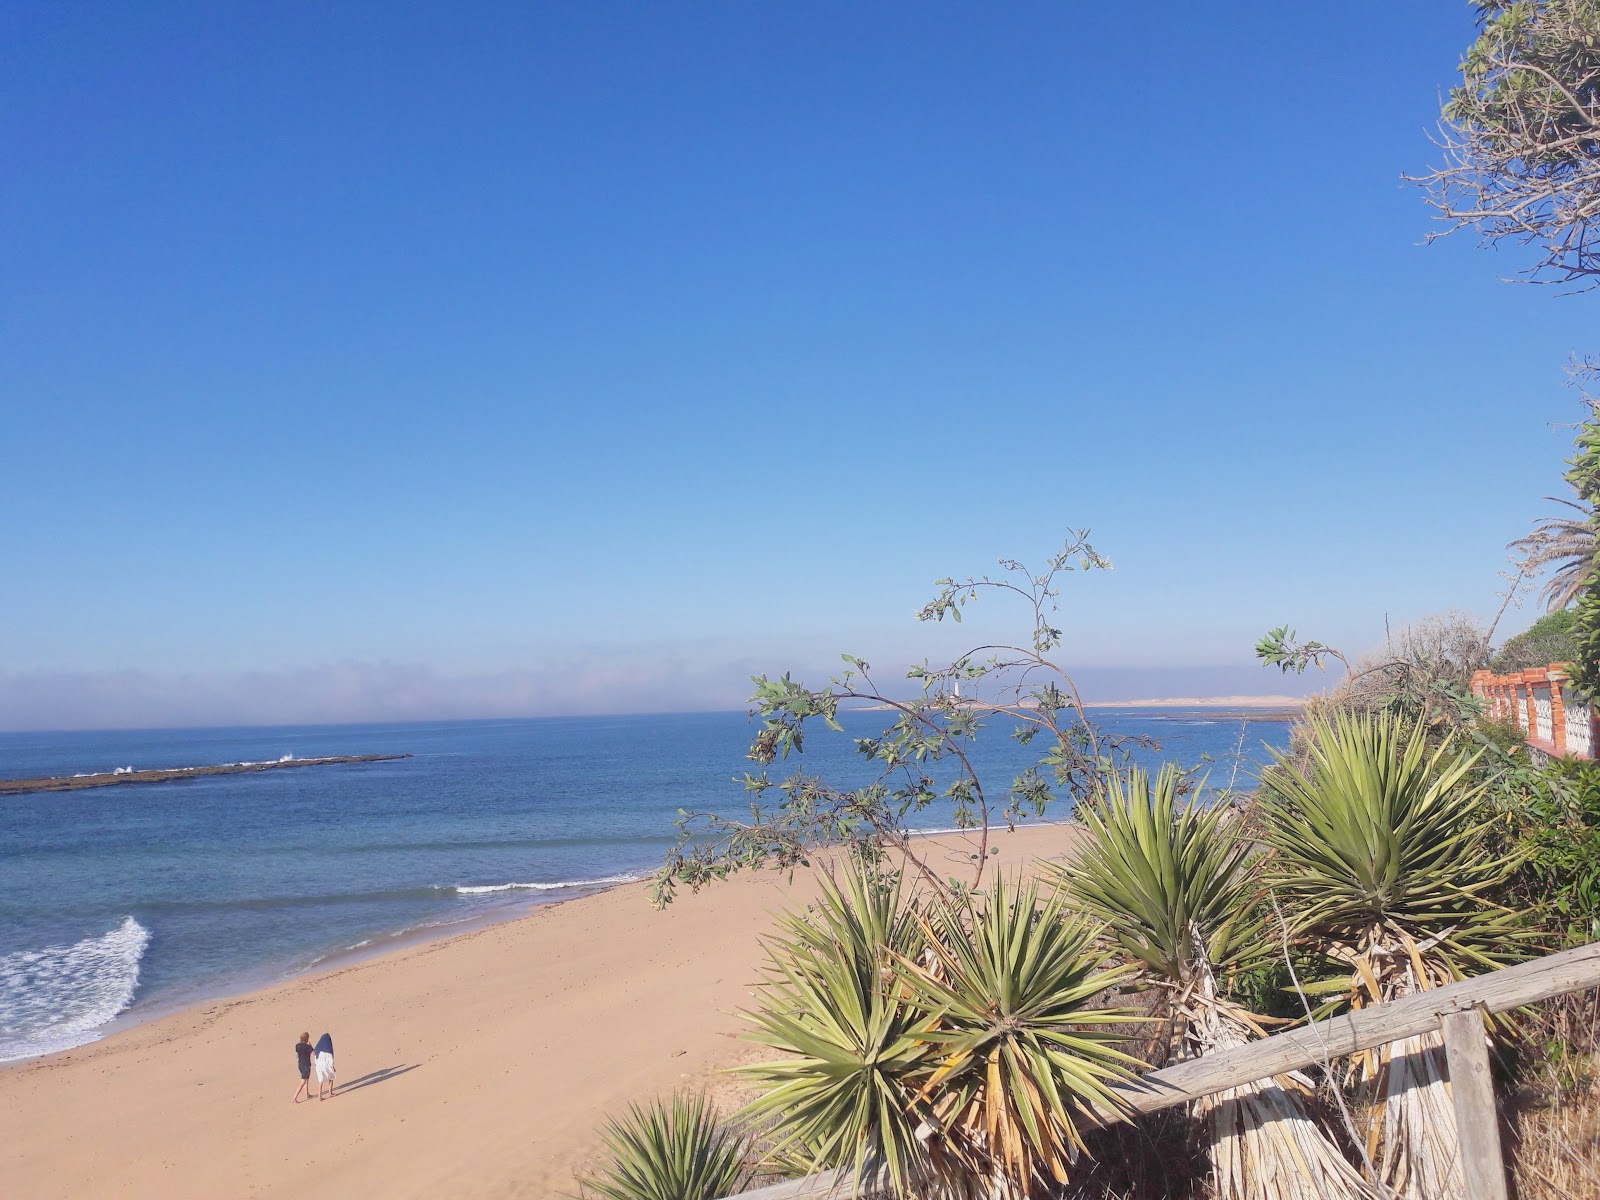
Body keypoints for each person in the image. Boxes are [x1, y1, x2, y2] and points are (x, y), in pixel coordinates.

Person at [313, 1032, 336, 1100]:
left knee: (320, 1081)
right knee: (331, 1078)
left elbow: (315, 1057)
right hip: (326, 1065)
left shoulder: (317, 1047)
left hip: (319, 1066)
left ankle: (319, 1097)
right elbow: (330, 1059)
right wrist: (332, 1067)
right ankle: (330, 1093)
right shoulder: (328, 1048)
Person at [292, 1032, 314, 1103]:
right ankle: (294, 1098)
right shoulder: (307, 1047)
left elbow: (298, 1053)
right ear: (307, 1038)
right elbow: (313, 1053)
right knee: (303, 1082)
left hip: (300, 1065)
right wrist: (310, 1046)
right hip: (306, 1065)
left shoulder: (297, 1045)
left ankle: (307, 1095)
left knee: (306, 1080)